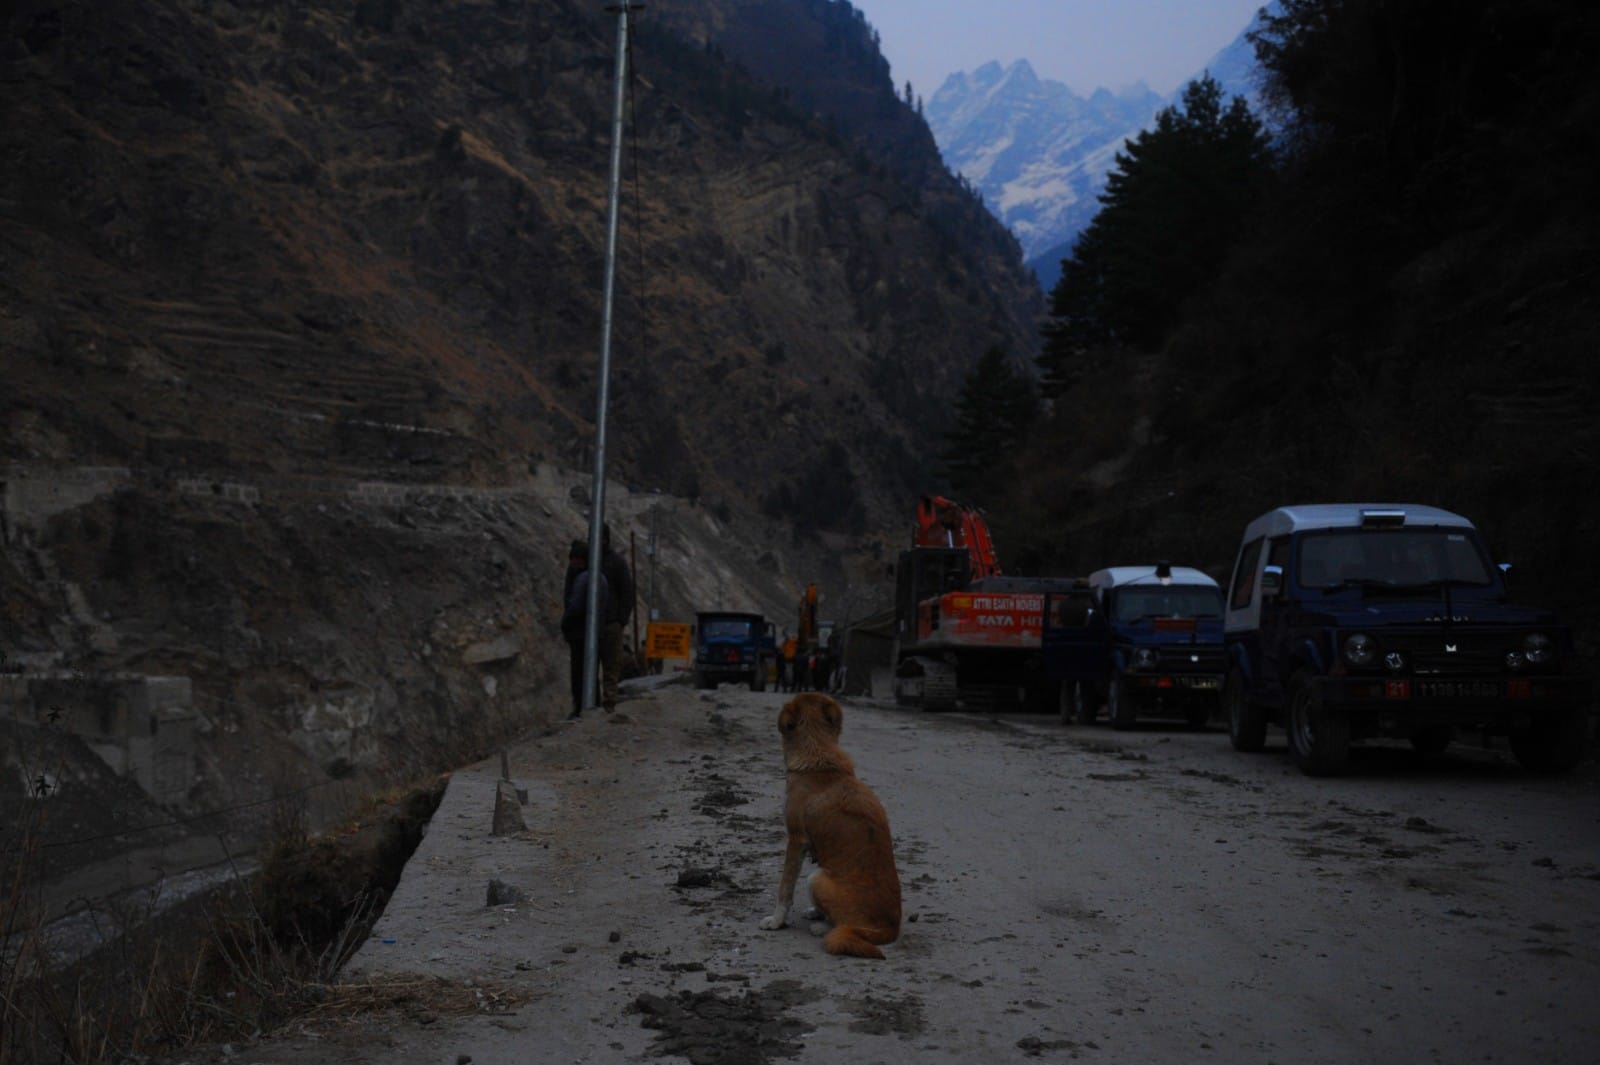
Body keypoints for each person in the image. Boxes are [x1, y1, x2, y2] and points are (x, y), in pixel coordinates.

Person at [560, 540, 607, 720]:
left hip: (580, 635)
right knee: (591, 672)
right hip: (593, 635)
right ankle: (592, 705)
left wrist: (565, 623)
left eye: (576, 560)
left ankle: (581, 708)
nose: (573, 564)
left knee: (580, 673)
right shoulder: (599, 578)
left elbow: (575, 607)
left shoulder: (584, 579)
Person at [599, 524, 636, 712]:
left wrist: (621, 620)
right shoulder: (590, 560)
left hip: (611, 623)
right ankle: (590, 704)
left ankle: (609, 704)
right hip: (591, 625)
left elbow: (627, 592)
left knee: (611, 667)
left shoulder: (616, 563)